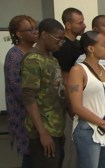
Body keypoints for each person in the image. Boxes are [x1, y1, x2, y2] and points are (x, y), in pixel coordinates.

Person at [67, 31, 105, 168]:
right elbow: (76, 106)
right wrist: (102, 123)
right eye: (104, 45)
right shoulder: (78, 70)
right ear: (91, 48)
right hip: (88, 129)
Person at [20, 18, 66, 168]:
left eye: (62, 40)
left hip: (56, 128)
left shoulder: (52, 59)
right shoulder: (33, 60)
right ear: (44, 34)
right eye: (58, 39)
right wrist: (43, 133)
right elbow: (28, 97)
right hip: (44, 130)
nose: (60, 43)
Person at [52, 7, 86, 168]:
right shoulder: (63, 46)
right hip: (70, 104)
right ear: (68, 24)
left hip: (82, 99)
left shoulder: (79, 44)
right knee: (71, 148)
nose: (84, 25)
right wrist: (72, 106)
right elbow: (66, 79)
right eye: (79, 23)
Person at [4, 15, 38, 168]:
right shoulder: (14, 56)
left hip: (41, 112)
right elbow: (19, 89)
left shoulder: (36, 52)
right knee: (30, 155)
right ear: (19, 34)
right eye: (30, 30)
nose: (35, 32)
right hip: (24, 114)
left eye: (36, 28)